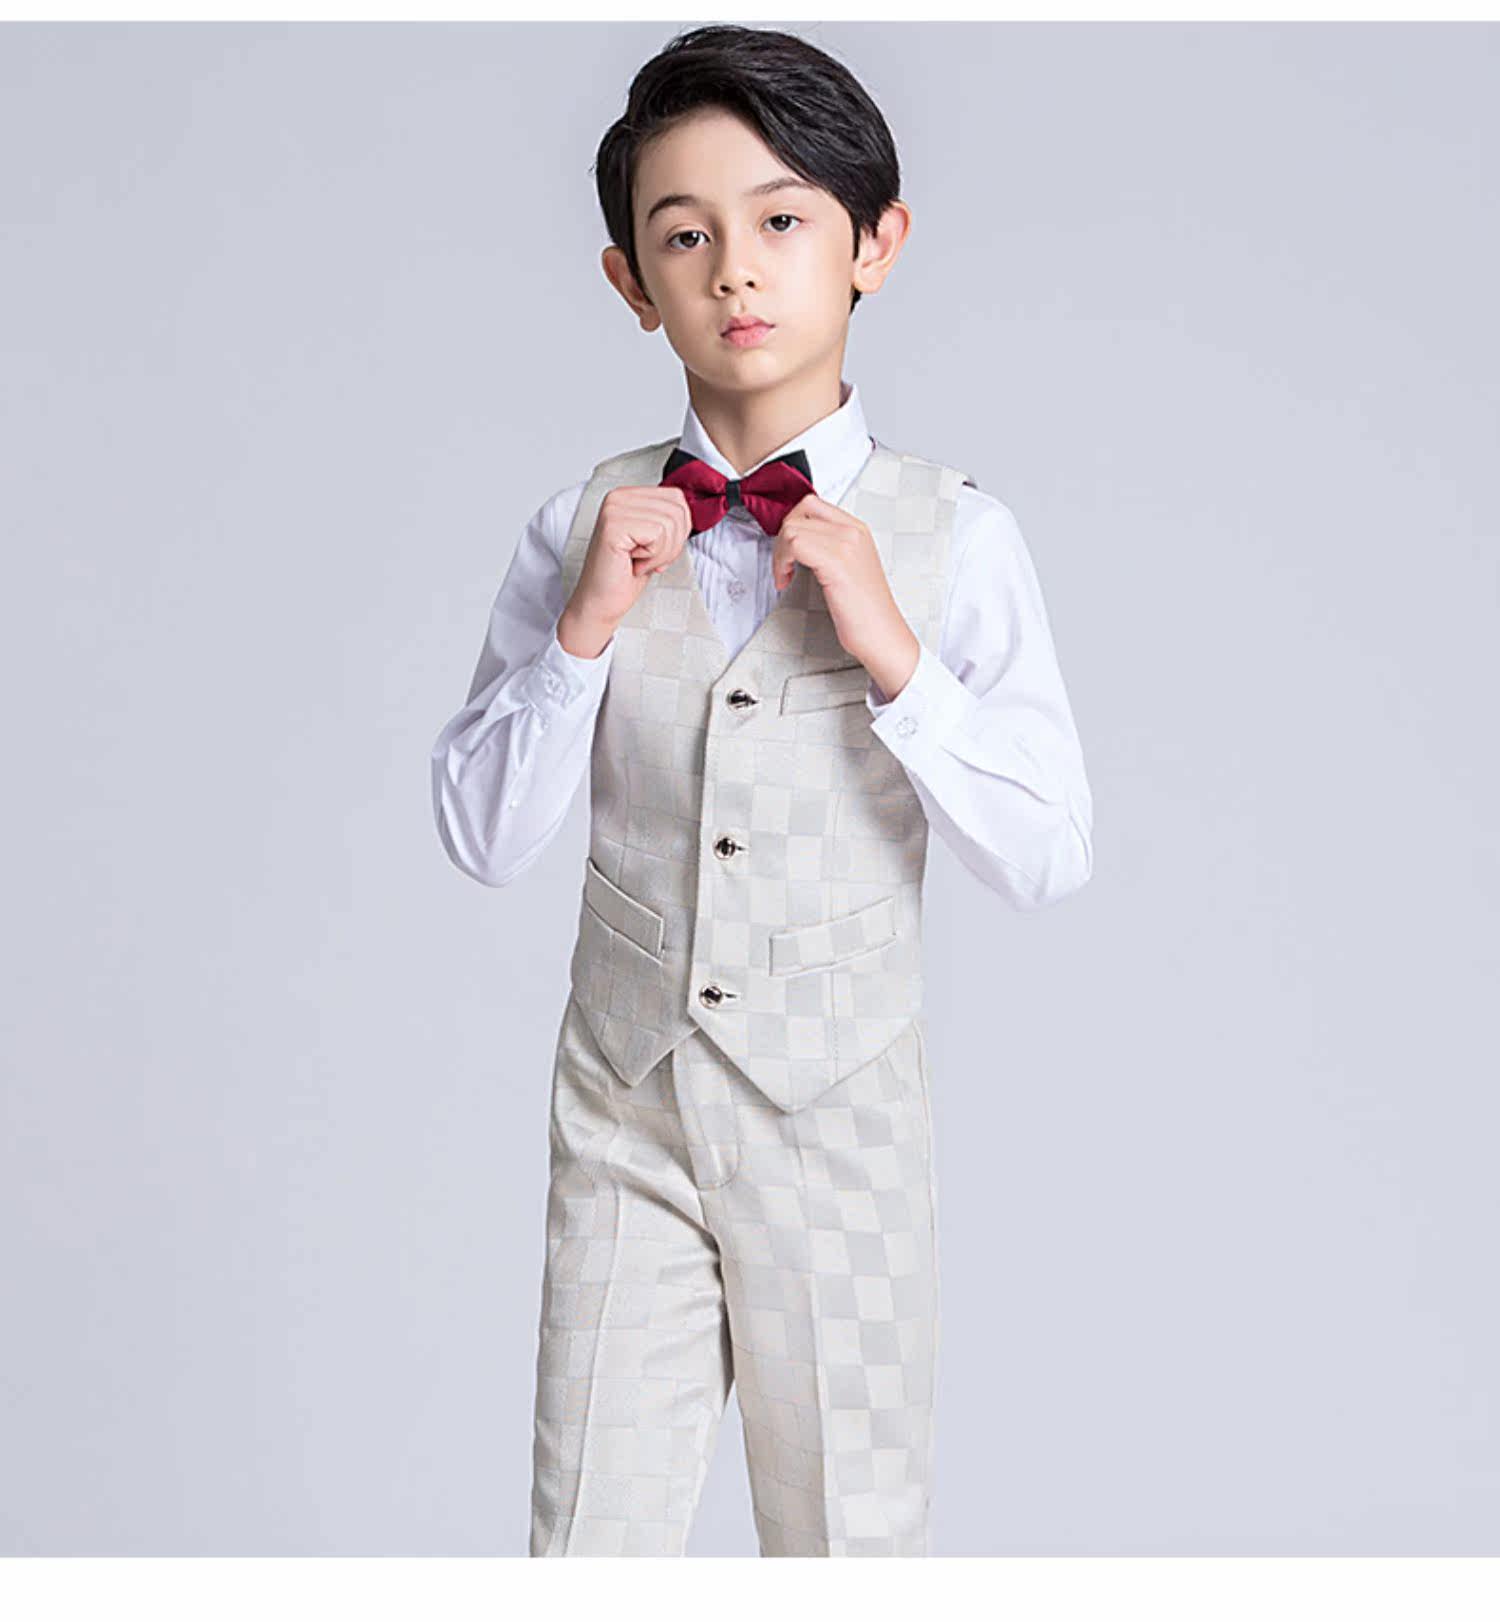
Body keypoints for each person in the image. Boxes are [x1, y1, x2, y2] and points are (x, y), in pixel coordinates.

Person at [430, 23, 1094, 1557]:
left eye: (782, 219)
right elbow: (481, 833)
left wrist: (898, 655)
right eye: (686, 235)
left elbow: (1049, 847)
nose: (736, 269)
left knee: (846, 1548)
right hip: (625, 1114)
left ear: (874, 246)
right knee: (584, 1545)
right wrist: (584, 632)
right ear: (630, 282)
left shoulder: (956, 537)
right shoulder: (578, 524)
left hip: (840, 1125)